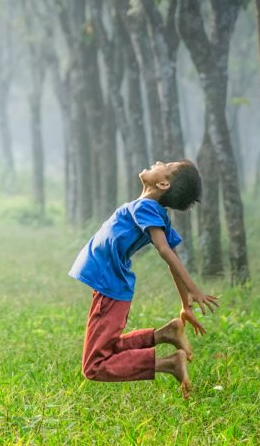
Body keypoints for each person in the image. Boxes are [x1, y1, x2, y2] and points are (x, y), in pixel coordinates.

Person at [68, 160, 218, 398]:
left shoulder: (147, 207)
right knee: (108, 348)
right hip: (110, 286)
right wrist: (184, 304)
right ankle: (165, 334)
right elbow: (172, 256)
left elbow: (166, 251)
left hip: (110, 287)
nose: (158, 162)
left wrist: (193, 289)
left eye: (166, 165)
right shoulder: (151, 210)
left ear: (163, 183)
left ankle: (169, 364)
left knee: (94, 365)